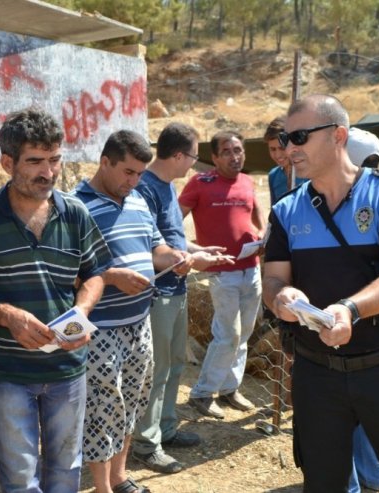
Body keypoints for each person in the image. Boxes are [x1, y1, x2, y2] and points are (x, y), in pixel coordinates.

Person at [263, 94, 379, 492]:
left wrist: (350, 309)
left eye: (300, 137)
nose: (290, 148)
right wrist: (281, 297)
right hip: (316, 373)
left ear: (338, 136)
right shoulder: (287, 210)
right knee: (324, 482)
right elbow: (273, 279)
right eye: (285, 137)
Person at [0, 108, 111, 493]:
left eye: (55, 159)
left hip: (68, 369)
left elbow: (95, 273)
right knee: (20, 479)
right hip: (7, 373)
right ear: (7, 162)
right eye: (35, 161)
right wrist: (4, 315)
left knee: (65, 472)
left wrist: (82, 311)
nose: (49, 172)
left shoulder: (75, 213)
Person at [73, 130, 192, 493]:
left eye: (139, 173)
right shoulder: (74, 207)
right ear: (104, 162)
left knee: (133, 404)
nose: (134, 180)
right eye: (127, 172)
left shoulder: (138, 200)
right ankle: (101, 486)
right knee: (101, 409)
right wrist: (110, 277)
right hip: (100, 328)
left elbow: (154, 245)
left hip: (139, 323)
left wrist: (173, 257)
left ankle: (119, 475)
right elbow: (64, 270)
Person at [131, 122, 232, 474]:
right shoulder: (145, 188)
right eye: (193, 156)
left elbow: (169, 240)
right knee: (156, 370)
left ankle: (166, 428)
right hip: (158, 292)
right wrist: (192, 260)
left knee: (174, 363)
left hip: (176, 289)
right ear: (178, 155)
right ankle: (145, 443)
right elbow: (148, 246)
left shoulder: (166, 187)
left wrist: (198, 250)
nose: (194, 163)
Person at [180, 130, 267, 419]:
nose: (235, 156)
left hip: (251, 269)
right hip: (222, 273)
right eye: (227, 151)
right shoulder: (200, 183)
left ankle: (230, 389)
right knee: (227, 333)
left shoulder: (246, 181)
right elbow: (173, 220)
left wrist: (262, 233)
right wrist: (187, 250)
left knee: (244, 333)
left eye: (238, 150)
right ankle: (203, 393)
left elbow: (256, 213)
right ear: (214, 157)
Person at [345, 128, 379, 493]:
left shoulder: (337, 199)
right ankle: (373, 478)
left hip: (343, 322)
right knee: (373, 410)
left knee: (341, 414)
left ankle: (356, 483)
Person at [265, 116, 307, 205]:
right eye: (273, 149)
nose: (278, 155)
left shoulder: (310, 173)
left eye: (282, 148)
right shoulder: (274, 176)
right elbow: (275, 213)